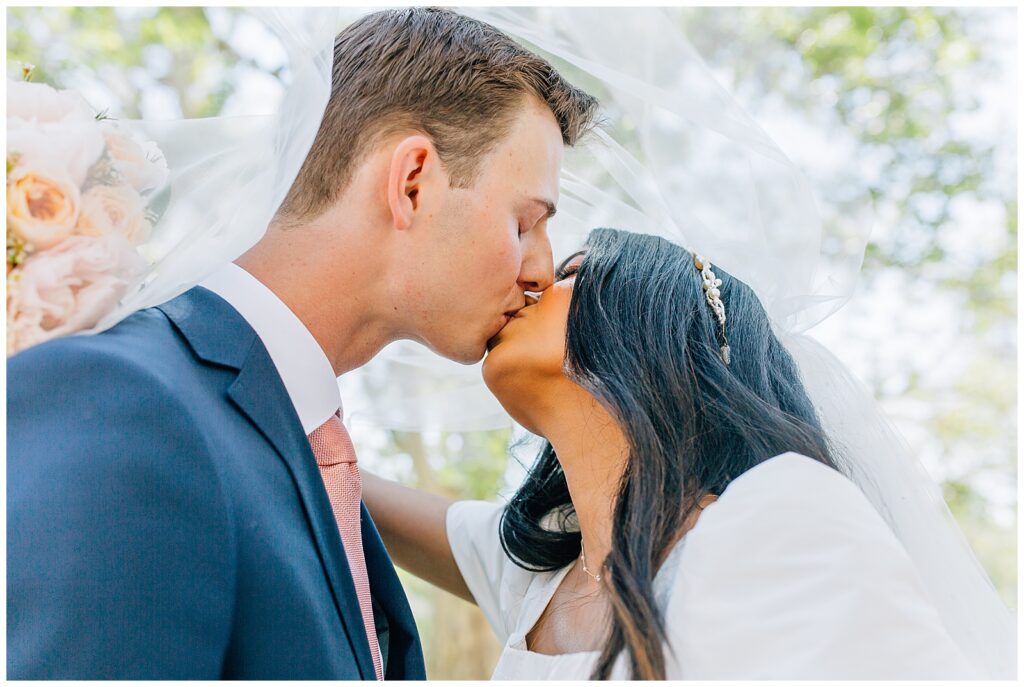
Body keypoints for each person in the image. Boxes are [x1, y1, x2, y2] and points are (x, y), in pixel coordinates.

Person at [6, 8, 597, 679]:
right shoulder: (125, 402)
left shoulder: (308, 458)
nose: (540, 272)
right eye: (525, 222)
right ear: (412, 182)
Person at [362, 227, 978, 680]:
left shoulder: (777, 518)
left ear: (643, 324)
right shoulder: (542, 573)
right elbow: (339, 484)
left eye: (572, 275)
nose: (537, 281)